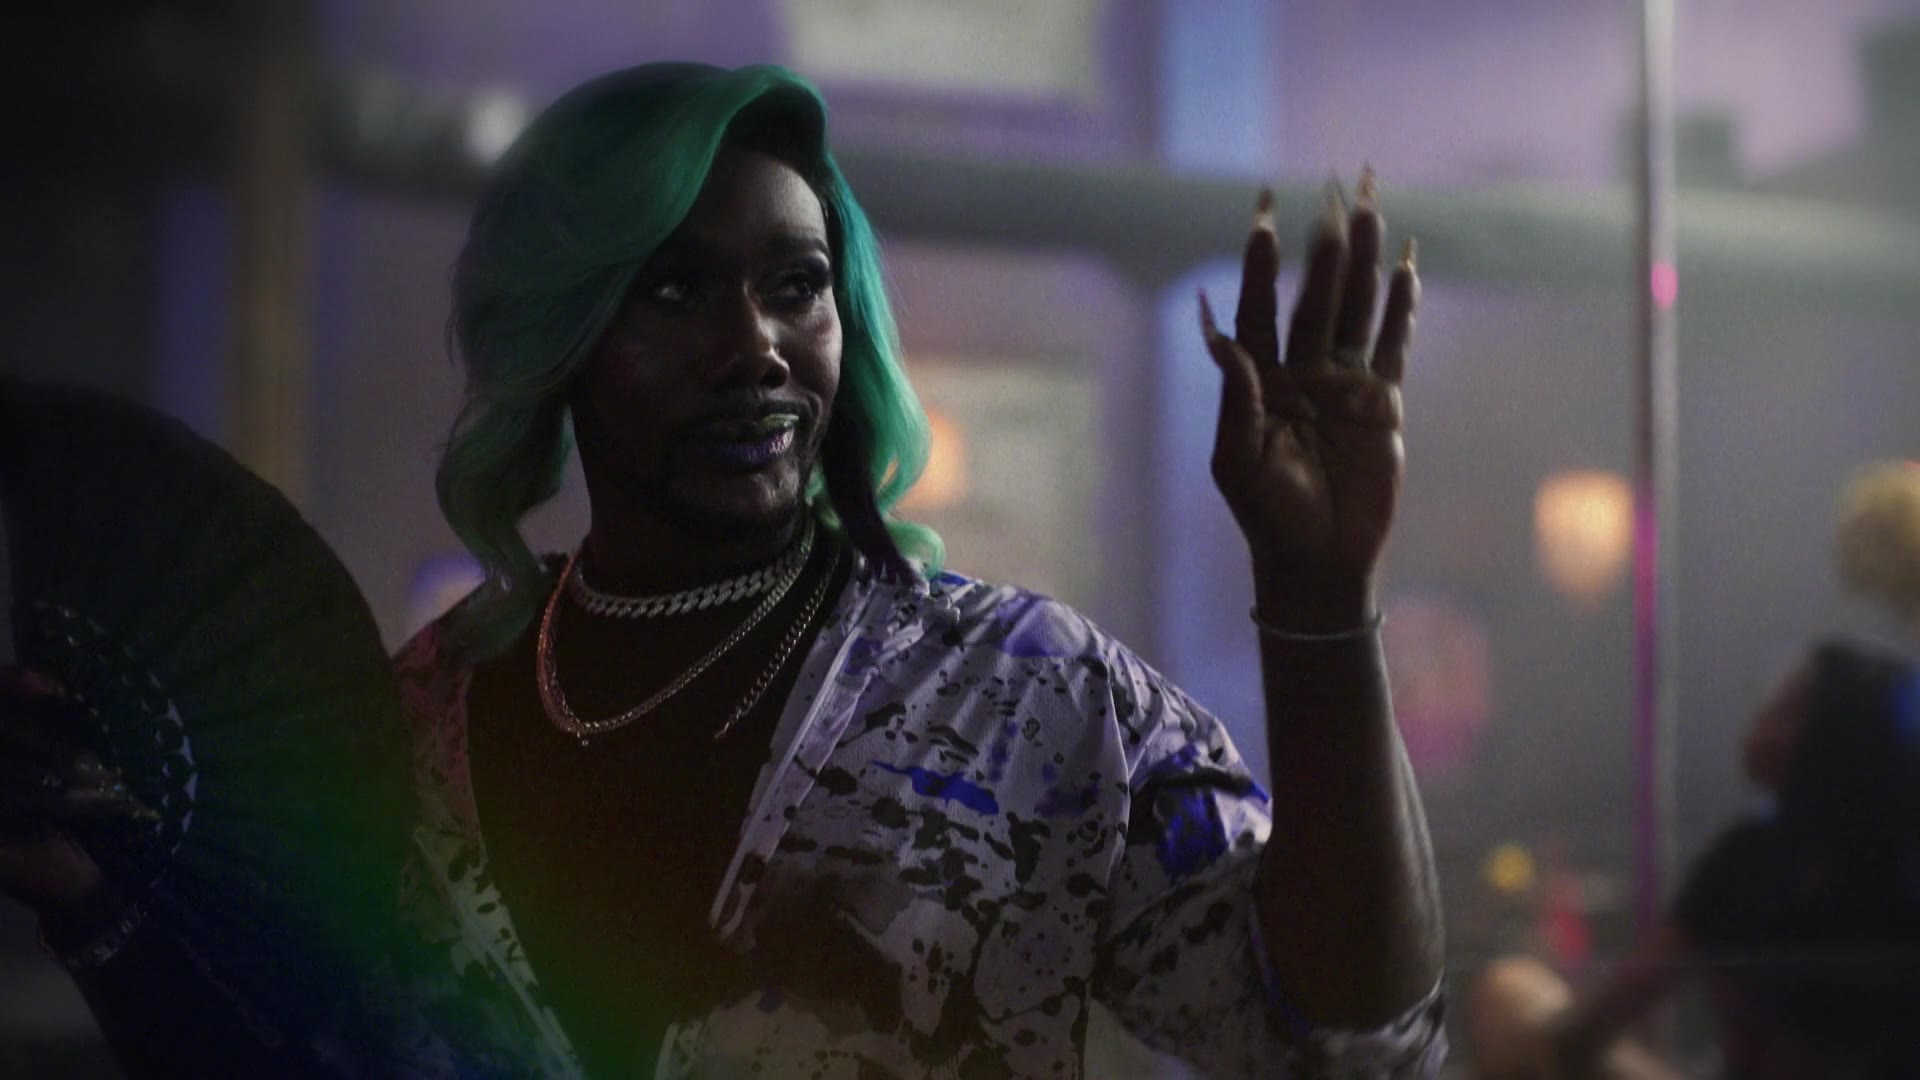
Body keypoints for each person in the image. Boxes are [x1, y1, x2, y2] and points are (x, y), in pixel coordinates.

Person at [390, 61, 1443, 1077]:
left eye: (797, 285)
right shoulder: (413, 721)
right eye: (675, 288)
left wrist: (1323, 601)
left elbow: (1342, 1031)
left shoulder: (1021, 693)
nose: (756, 347)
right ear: (559, 330)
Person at [1469, 639, 1920, 1079]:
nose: (1759, 718)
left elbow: (1599, 1019)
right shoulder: (1749, 859)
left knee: (1516, 1003)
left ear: (1834, 741)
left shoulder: (1880, 887)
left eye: (1784, 709)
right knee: (1512, 990)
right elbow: (1611, 1009)